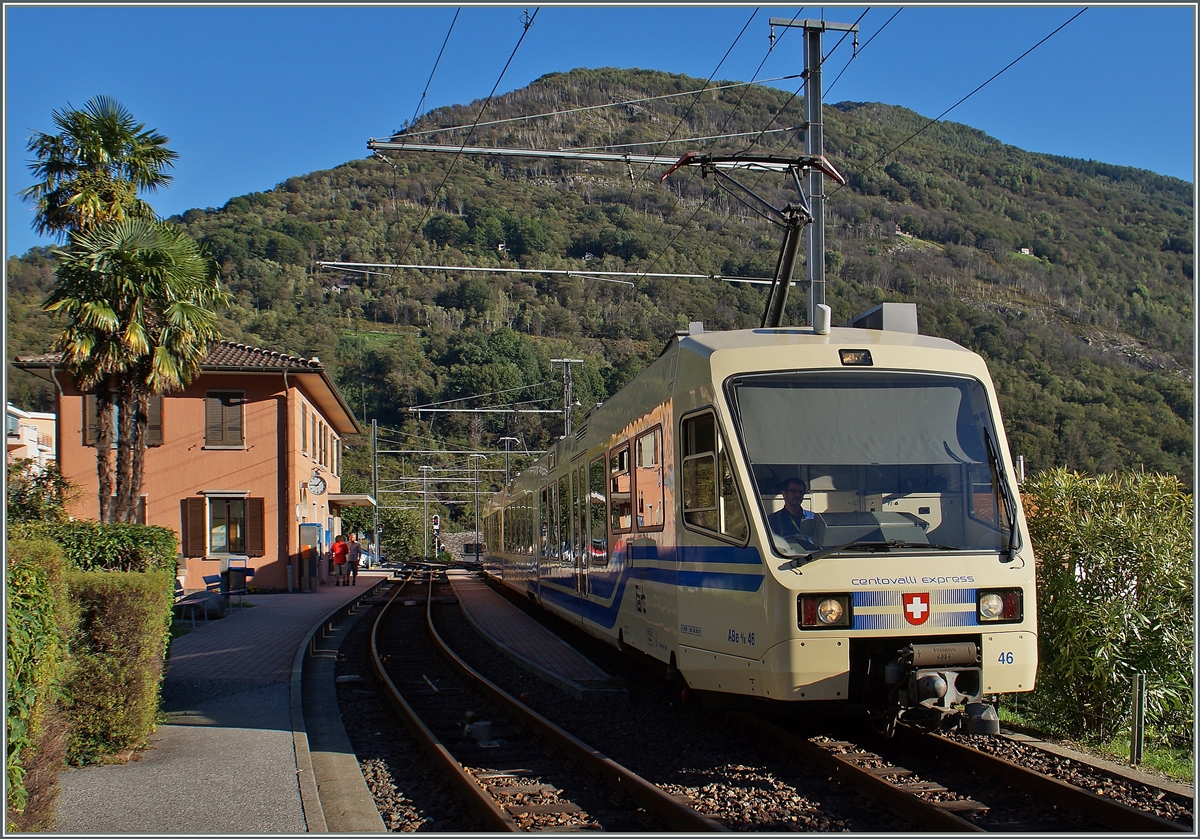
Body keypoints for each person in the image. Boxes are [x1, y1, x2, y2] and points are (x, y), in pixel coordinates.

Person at [768, 477, 815, 543]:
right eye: (793, 491)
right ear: (784, 494)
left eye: (800, 492)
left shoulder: (813, 517)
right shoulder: (773, 520)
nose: (798, 495)